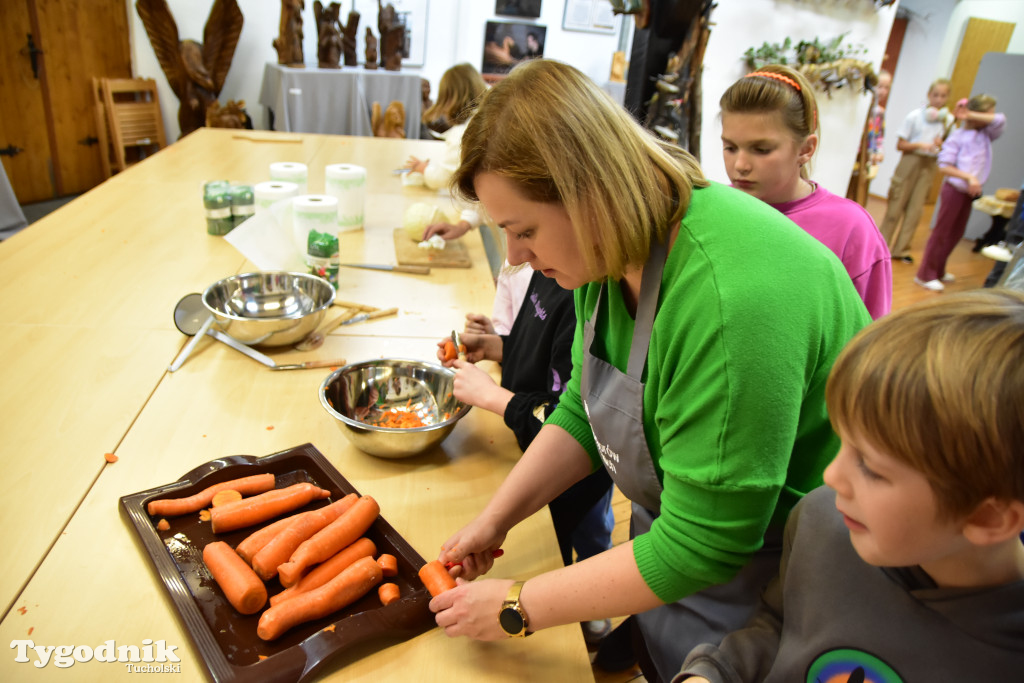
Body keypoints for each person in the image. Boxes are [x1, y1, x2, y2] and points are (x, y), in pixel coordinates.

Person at [425, 58, 870, 683]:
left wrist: (519, 604)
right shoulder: (606, 251)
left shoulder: (728, 297)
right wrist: (495, 518)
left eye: (525, 232)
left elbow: (703, 543)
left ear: (589, 190)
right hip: (679, 566)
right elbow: (586, 408)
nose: (518, 257)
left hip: (782, 587)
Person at [675, 290, 1024, 683]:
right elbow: (781, 623)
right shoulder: (824, 521)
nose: (831, 477)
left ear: (987, 516)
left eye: (871, 468)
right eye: (843, 442)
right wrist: (715, 674)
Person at [443, 266, 617, 644]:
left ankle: (595, 615)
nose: (516, 255)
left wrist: (495, 397)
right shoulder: (548, 268)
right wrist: (498, 346)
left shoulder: (582, 292)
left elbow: (569, 415)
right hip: (533, 454)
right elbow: (548, 354)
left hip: (578, 479)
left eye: (523, 231)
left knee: (589, 535)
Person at [719, 64, 892, 319]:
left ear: (805, 149)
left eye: (761, 150)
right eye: (730, 148)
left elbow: (869, 339)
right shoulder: (716, 208)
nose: (740, 165)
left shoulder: (851, 230)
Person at [915, 94, 1006, 291]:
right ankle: (925, 274)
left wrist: (970, 113)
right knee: (942, 232)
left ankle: (938, 270)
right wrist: (969, 178)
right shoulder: (957, 136)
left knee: (956, 233)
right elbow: (944, 166)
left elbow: (1000, 120)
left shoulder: (985, 135)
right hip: (954, 191)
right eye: (987, 112)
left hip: (968, 194)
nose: (991, 116)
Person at [404, 63, 488, 241]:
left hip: (489, 226)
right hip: (481, 218)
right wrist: (465, 224)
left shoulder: (463, 135)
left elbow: (444, 176)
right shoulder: (480, 123)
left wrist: (425, 170)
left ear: (450, 99)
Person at [877, 78, 954, 264]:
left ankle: (901, 249)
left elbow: (950, 148)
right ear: (929, 95)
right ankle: (880, 247)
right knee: (895, 208)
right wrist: (920, 145)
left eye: (943, 95)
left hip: (929, 165)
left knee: (915, 211)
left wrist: (941, 145)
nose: (938, 99)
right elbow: (900, 144)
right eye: (935, 95)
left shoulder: (949, 121)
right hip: (910, 161)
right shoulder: (914, 116)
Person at [866, 69, 891, 167]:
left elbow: (879, 137)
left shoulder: (880, 112)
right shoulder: (864, 110)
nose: (883, 91)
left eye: (887, 88)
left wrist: (879, 152)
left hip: (868, 158)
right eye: (880, 86)